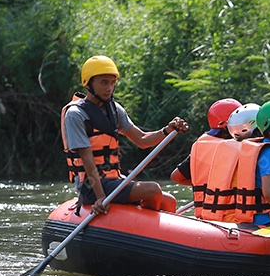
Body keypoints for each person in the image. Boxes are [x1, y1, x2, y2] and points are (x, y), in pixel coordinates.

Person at [62, 56, 187, 213]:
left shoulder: (114, 110)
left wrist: (167, 130)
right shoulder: (76, 115)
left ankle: (149, 228)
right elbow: (88, 161)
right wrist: (100, 197)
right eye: (104, 82)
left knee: (168, 200)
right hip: (90, 185)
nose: (109, 88)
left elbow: (142, 140)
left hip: (113, 180)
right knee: (153, 190)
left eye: (112, 83)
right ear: (89, 83)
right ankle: (144, 226)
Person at [169, 98, 241, 186]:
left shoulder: (202, 146)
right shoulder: (241, 148)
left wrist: (205, 185)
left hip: (204, 198)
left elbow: (176, 177)